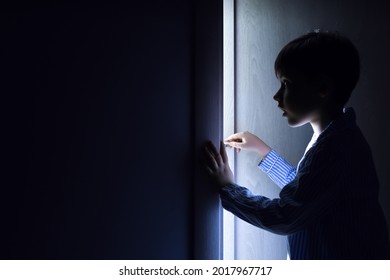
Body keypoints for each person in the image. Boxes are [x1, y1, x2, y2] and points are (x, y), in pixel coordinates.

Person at [202, 30, 390, 259]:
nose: (276, 96)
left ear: (322, 88)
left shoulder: (336, 148)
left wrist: (228, 189)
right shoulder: (336, 138)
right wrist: (263, 151)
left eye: (286, 84)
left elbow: (286, 216)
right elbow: (309, 189)